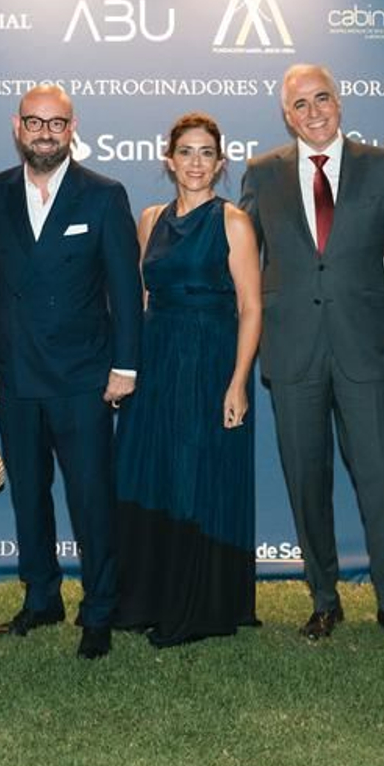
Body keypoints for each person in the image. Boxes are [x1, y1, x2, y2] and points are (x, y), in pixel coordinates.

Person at [238, 63, 384, 643]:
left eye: (322, 99)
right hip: (291, 353)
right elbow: (241, 262)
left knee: (380, 475)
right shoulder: (261, 174)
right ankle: (324, 598)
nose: (313, 111)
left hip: (367, 351)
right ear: (285, 115)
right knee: (305, 478)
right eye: (300, 104)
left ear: (339, 104)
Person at [0, 83, 142, 660]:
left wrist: (125, 366)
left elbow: (123, 287)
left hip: (84, 378)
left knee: (91, 498)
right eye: (35, 122)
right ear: (17, 127)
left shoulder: (102, 195)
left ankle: (100, 609)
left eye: (57, 123)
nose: (45, 132)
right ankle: (41, 598)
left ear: (72, 128)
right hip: (14, 376)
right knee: (29, 498)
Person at [112, 112, 263, 648]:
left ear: (220, 164)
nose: (195, 163)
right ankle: (148, 597)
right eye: (186, 152)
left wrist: (238, 381)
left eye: (206, 154)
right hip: (156, 363)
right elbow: (141, 299)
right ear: (168, 159)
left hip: (210, 362)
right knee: (151, 475)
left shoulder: (234, 222)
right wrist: (126, 368)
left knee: (195, 476)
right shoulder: (150, 218)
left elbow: (250, 308)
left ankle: (197, 606)